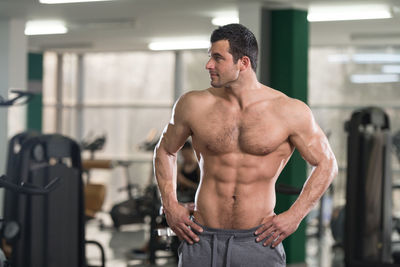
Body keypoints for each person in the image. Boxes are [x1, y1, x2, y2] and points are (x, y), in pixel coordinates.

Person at [154, 23, 338, 267]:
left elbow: (327, 163)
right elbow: (165, 150)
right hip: (201, 237)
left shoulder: (288, 111)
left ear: (243, 63)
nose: (209, 65)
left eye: (218, 58)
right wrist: (171, 206)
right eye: (210, 57)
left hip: (258, 242)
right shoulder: (193, 104)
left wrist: (295, 216)